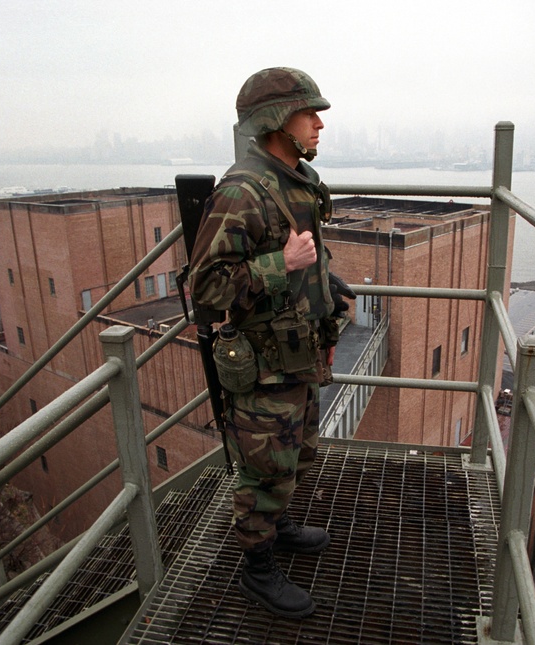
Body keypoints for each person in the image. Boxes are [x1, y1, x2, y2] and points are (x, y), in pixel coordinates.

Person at [188, 67, 350, 619]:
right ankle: (257, 569)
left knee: (295, 455)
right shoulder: (243, 190)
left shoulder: (292, 179)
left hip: (296, 356)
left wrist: (322, 279)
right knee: (263, 469)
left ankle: (277, 527)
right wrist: (284, 264)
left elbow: (300, 250)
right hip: (263, 368)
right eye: (310, 114)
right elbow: (206, 289)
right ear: (278, 121)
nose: (320, 124)